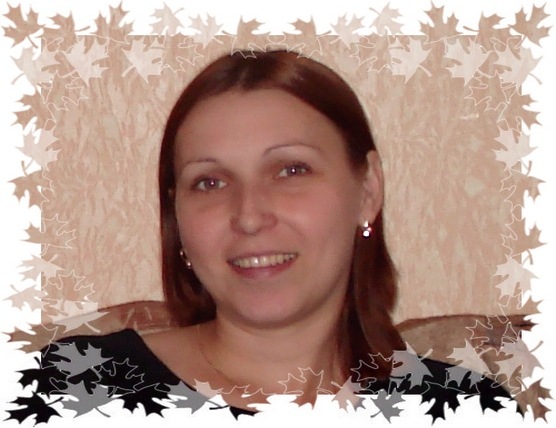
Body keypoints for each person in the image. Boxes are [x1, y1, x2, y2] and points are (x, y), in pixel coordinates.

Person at [9, 50, 515, 423]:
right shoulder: (73, 387)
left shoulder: (465, 408)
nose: (249, 216)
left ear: (367, 190)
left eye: (291, 170)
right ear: (177, 217)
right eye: (210, 182)